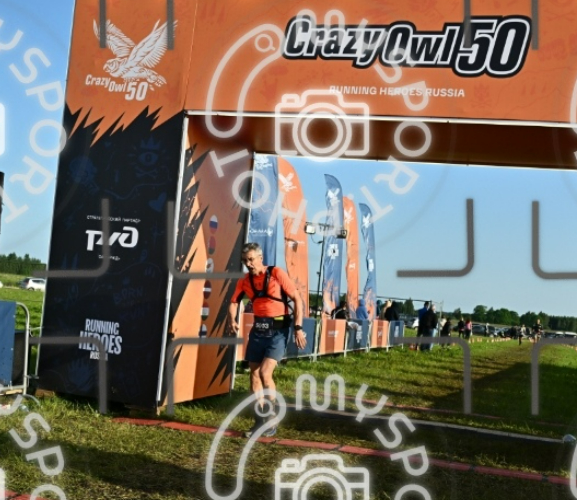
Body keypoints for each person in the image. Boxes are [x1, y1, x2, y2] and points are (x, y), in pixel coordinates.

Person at [228, 242, 305, 438]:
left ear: (260, 258)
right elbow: (234, 301)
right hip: (258, 331)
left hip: (278, 331)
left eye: (251, 259)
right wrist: (232, 320)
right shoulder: (244, 281)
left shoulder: (276, 273)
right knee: (254, 376)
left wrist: (298, 328)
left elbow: (297, 299)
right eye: (245, 261)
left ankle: (271, 417)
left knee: (264, 372)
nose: (248, 264)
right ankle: (259, 421)